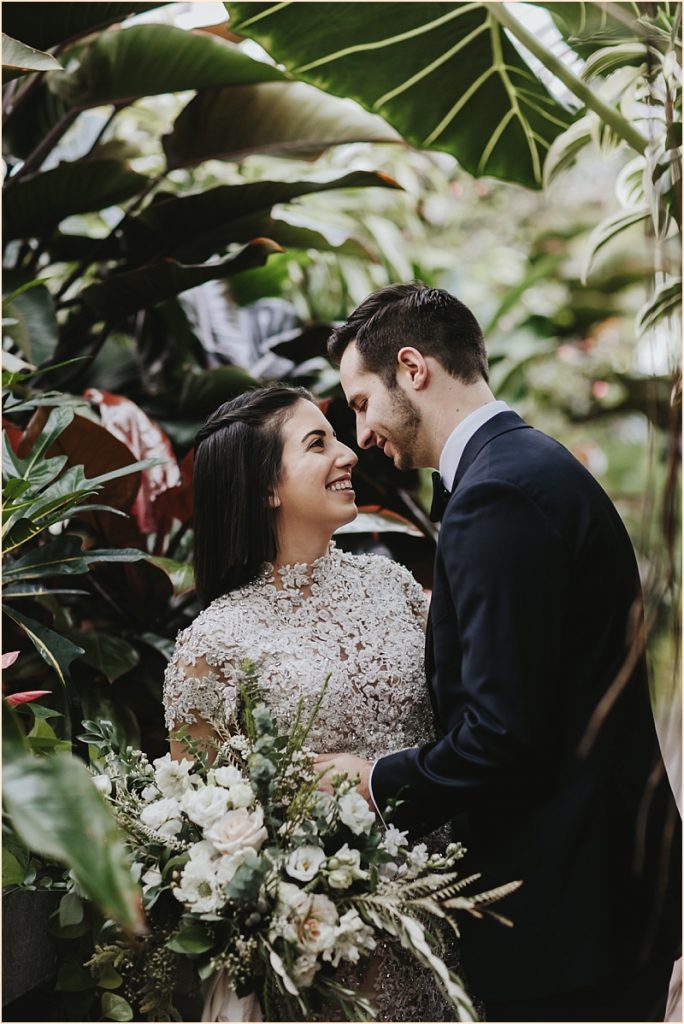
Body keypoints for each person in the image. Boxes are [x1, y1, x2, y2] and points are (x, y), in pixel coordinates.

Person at [316, 282, 682, 1022]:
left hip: (564, 922)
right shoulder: (526, 466)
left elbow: (501, 733)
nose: (362, 438)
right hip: (603, 902)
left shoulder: (497, 496)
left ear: (413, 368)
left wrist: (373, 779)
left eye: (360, 404)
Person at [162, 384, 456, 1022]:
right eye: (318, 442)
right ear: (266, 485)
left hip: (444, 918)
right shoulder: (213, 647)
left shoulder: (393, 584)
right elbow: (206, 832)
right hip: (322, 954)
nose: (349, 452)